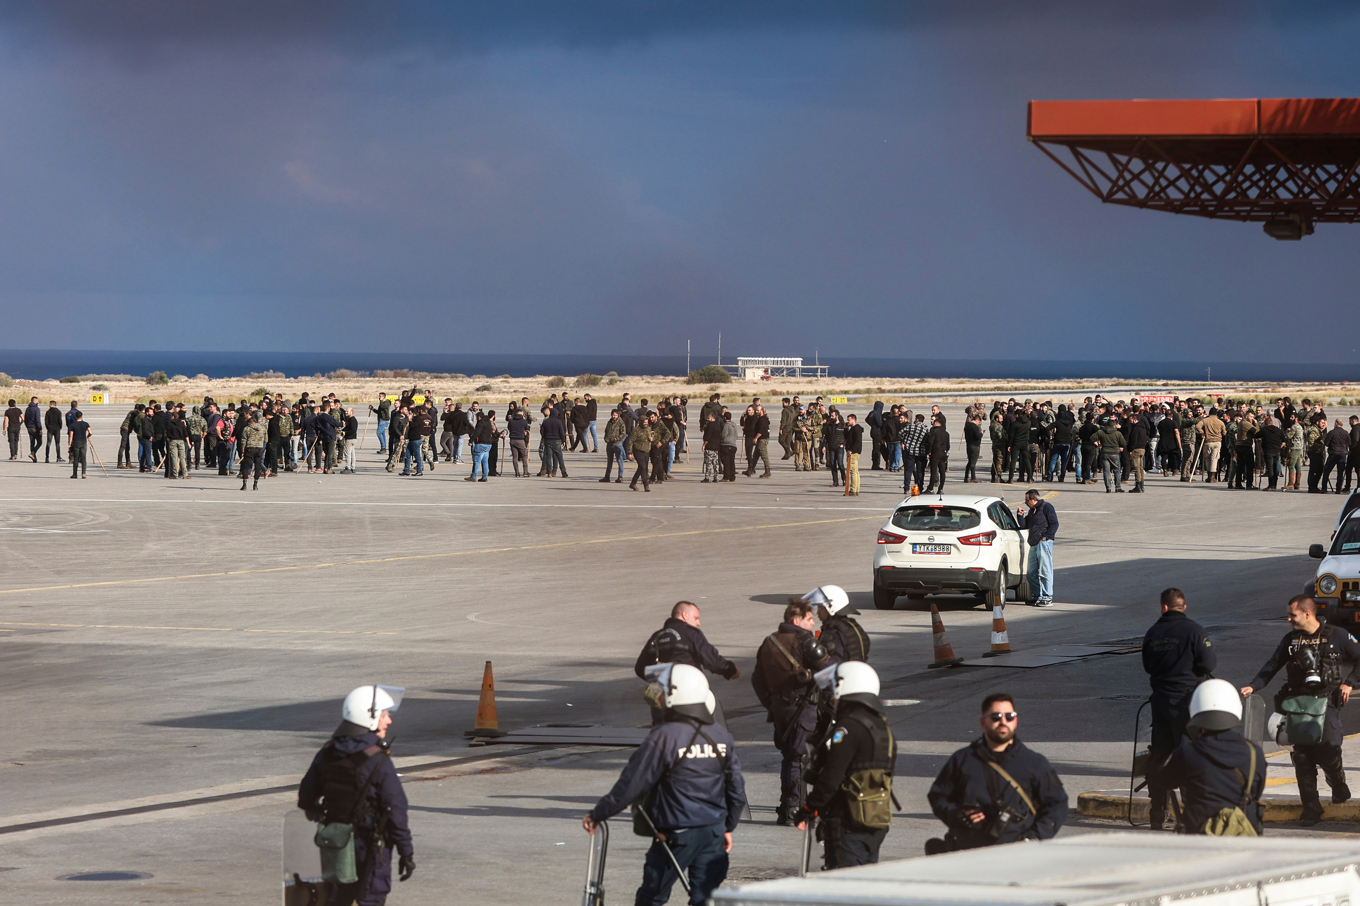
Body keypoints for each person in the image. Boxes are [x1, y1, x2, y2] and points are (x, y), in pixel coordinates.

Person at [583, 664, 746, 906]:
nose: (658, 695)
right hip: (712, 831)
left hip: (677, 834)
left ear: (675, 695)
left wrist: (599, 813)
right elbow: (736, 789)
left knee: (652, 898)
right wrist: (727, 826)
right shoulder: (720, 735)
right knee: (705, 899)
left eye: (663, 690)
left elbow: (631, 784)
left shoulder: (665, 736)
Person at [1240, 594, 1360, 825]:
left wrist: (1349, 683)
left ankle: (1337, 783)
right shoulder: (1291, 640)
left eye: (1292, 615)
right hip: (1298, 704)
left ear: (1307, 614)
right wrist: (1253, 686)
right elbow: (1273, 664)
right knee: (1303, 757)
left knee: (1330, 749)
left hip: (1326, 702)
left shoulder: (1337, 635)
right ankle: (1311, 808)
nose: (1288, 619)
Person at [298, 685, 414, 906]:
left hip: (336, 843)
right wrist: (406, 851)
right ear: (369, 718)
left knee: (337, 899)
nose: (388, 721)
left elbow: (306, 796)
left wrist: (320, 813)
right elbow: (396, 808)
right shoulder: (377, 760)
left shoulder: (328, 752)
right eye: (384, 715)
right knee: (370, 899)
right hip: (371, 847)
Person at [925, 692, 1068, 852]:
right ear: (982, 722)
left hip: (1016, 855)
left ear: (1016, 721)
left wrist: (1033, 838)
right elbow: (938, 797)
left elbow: (1057, 803)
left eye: (1009, 716)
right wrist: (957, 816)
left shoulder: (1033, 763)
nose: (1003, 721)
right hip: (967, 854)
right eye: (996, 716)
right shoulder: (963, 760)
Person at [793, 662, 895, 869]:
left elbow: (831, 777)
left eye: (835, 691)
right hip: (875, 819)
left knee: (845, 885)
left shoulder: (848, 728)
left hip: (847, 821)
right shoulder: (881, 727)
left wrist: (808, 808)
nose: (832, 698)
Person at [1140, 588, 1217, 830]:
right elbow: (1209, 663)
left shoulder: (1152, 633)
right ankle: (1190, 813)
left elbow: (1148, 666)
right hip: (1186, 704)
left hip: (1160, 703)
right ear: (1184, 606)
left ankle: (1157, 811)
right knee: (1188, 757)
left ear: (1163, 607)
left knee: (1159, 756)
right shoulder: (1195, 631)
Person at [752, 598, 830, 826]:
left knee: (790, 757)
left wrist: (771, 703)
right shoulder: (804, 641)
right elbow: (828, 671)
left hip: (780, 708)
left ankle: (788, 807)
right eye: (808, 618)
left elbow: (757, 678)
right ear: (796, 620)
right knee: (798, 757)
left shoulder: (769, 642)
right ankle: (795, 808)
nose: (812, 622)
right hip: (802, 708)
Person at [1159, 679, 1265, 835]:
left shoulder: (1188, 752)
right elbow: (1256, 791)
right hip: (1242, 831)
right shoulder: (1253, 752)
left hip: (1200, 832)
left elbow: (1164, 781)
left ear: (1196, 709)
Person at [635, 602, 740, 725]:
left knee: (664, 736)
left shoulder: (656, 637)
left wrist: (662, 678)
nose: (698, 623)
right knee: (698, 732)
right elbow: (711, 660)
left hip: (662, 699)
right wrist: (731, 670)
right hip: (689, 697)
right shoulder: (690, 633)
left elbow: (640, 668)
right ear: (685, 615)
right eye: (696, 618)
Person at [803, 585, 869, 664]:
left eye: (820, 607)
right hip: (857, 671)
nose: (818, 612)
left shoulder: (832, 632)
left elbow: (826, 665)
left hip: (843, 674)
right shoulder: (853, 626)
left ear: (831, 607)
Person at [1016, 490, 1057, 606]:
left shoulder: (1046, 507)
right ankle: (1037, 595)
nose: (1025, 502)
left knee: (1045, 570)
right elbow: (1024, 525)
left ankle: (1047, 597)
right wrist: (1020, 516)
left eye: (1027, 499)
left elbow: (1054, 523)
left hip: (1043, 543)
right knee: (1031, 572)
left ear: (1034, 499)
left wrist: (1046, 537)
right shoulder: (1032, 511)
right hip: (1033, 544)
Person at [239, 411, 267, 490]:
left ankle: (244, 484)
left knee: (246, 466)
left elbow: (243, 441)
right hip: (259, 448)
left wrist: (243, 451)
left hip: (249, 448)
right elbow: (266, 439)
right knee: (258, 466)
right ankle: (255, 484)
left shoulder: (247, 429)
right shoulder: (262, 428)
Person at [925, 414, 950, 493]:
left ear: (936, 423)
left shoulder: (933, 431)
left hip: (935, 452)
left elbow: (930, 442)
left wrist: (928, 451)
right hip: (943, 453)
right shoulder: (946, 433)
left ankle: (931, 488)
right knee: (942, 471)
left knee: (934, 471)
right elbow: (948, 445)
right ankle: (941, 489)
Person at [68, 410, 91, 479]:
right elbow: (91, 432)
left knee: (76, 458)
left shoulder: (72, 425)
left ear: (75, 417)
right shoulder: (85, 424)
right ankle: (83, 473)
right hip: (83, 442)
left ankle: (75, 474)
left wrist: (69, 444)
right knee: (83, 458)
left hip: (76, 442)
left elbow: (71, 435)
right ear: (82, 416)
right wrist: (88, 436)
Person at [719, 411, 740, 483]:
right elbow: (737, 435)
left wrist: (721, 440)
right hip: (733, 445)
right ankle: (732, 476)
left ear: (725, 417)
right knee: (732, 461)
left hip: (726, 445)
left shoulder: (726, 425)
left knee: (726, 461)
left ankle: (726, 476)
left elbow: (723, 435)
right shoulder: (734, 425)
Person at [845, 413, 864, 495]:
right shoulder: (852, 429)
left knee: (852, 471)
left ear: (853, 420)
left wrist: (851, 450)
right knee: (855, 471)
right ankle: (856, 489)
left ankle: (853, 489)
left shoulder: (856, 429)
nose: (847, 422)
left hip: (854, 452)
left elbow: (857, 441)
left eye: (849, 420)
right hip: (854, 451)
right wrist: (846, 429)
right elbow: (847, 438)